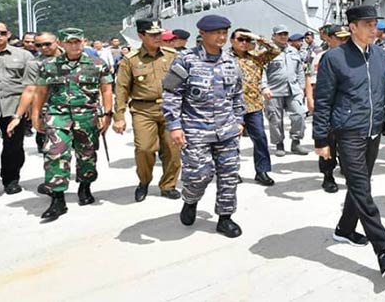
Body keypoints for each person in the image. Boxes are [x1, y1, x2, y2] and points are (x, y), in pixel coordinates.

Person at [313, 6, 385, 279]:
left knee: (359, 184)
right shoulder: (334, 58)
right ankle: (383, 250)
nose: (373, 29)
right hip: (348, 132)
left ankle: (344, 229)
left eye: (375, 24)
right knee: (362, 189)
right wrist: (321, 139)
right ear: (352, 27)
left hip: (373, 131)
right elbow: (323, 101)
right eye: (367, 24)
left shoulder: (379, 54)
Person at [162, 14, 246, 238]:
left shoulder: (230, 61)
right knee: (199, 175)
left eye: (224, 33)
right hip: (196, 130)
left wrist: (239, 120)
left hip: (227, 130)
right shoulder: (186, 60)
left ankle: (225, 218)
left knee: (229, 175)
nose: (221, 37)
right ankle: (190, 201)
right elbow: (171, 94)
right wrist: (174, 125)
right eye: (216, 33)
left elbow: (237, 94)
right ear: (202, 34)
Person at [33, 28, 113, 221]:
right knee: (55, 154)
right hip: (57, 116)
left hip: (87, 116)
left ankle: (85, 186)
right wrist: (36, 115)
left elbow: (106, 89)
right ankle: (57, 198)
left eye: (78, 41)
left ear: (84, 41)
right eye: (70, 42)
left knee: (87, 154)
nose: (74, 45)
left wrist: (107, 114)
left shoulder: (97, 64)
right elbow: (41, 91)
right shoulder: (49, 65)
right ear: (61, 43)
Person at [113, 19, 182, 202]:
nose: (158, 37)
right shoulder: (131, 60)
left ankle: (168, 185)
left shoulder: (172, 55)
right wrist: (119, 116)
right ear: (141, 36)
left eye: (159, 34)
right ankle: (144, 181)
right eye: (152, 35)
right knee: (144, 148)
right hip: (143, 109)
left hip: (170, 109)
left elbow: (184, 82)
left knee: (173, 149)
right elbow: (121, 88)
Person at [6, 32, 62, 192]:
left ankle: (84, 184)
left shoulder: (74, 57)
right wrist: (18, 116)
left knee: (84, 151)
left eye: (47, 44)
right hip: (50, 112)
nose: (43, 48)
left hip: (80, 110)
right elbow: (30, 89)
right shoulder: (34, 64)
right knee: (52, 150)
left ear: (57, 42)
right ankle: (54, 186)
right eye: (39, 45)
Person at [229, 27, 282, 186]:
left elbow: (275, 50)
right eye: (240, 39)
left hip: (253, 106)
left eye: (248, 40)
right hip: (231, 106)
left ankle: (262, 171)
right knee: (231, 141)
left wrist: (257, 37)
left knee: (260, 138)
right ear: (232, 41)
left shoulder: (256, 57)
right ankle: (231, 171)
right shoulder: (223, 58)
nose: (244, 42)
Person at [309, 24, 349, 193]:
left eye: (346, 38)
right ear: (329, 38)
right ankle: (328, 175)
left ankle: (347, 170)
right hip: (328, 106)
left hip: (346, 107)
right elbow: (313, 81)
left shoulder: (353, 56)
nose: (344, 41)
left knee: (348, 143)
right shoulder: (321, 57)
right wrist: (311, 100)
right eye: (340, 38)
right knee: (328, 142)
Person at [0, 21, 35, 194]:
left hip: (14, 106)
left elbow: (32, 84)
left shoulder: (24, 56)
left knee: (13, 145)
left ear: (8, 34)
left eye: (2, 32)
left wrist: (30, 107)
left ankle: (11, 179)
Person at [264, 25, 308, 157]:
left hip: (293, 90)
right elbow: (262, 71)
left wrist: (301, 87)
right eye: (280, 34)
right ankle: (279, 144)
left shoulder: (293, 51)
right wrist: (264, 87)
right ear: (273, 36)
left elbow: (299, 70)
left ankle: (296, 142)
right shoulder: (268, 52)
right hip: (274, 91)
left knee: (299, 114)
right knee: (275, 119)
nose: (283, 37)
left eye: (285, 34)